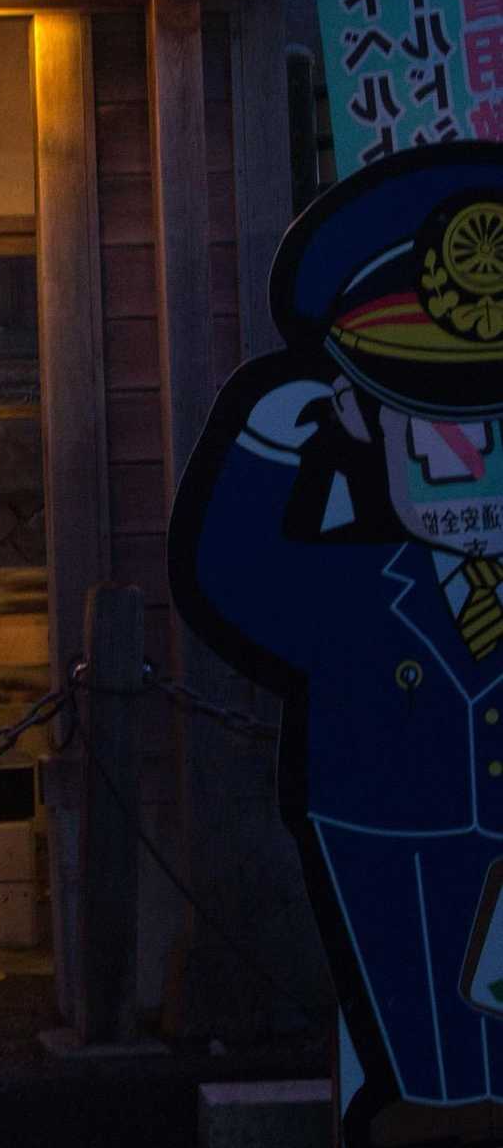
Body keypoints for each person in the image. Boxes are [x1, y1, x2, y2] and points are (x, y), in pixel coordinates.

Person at [169, 143, 503, 1148]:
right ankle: (429, 1100)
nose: (478, 469)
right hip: (392, 827)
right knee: (416, 1006)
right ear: (355, 412)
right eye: (440, 434)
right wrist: (267, 445)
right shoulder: (358, 592)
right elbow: (233, 576)